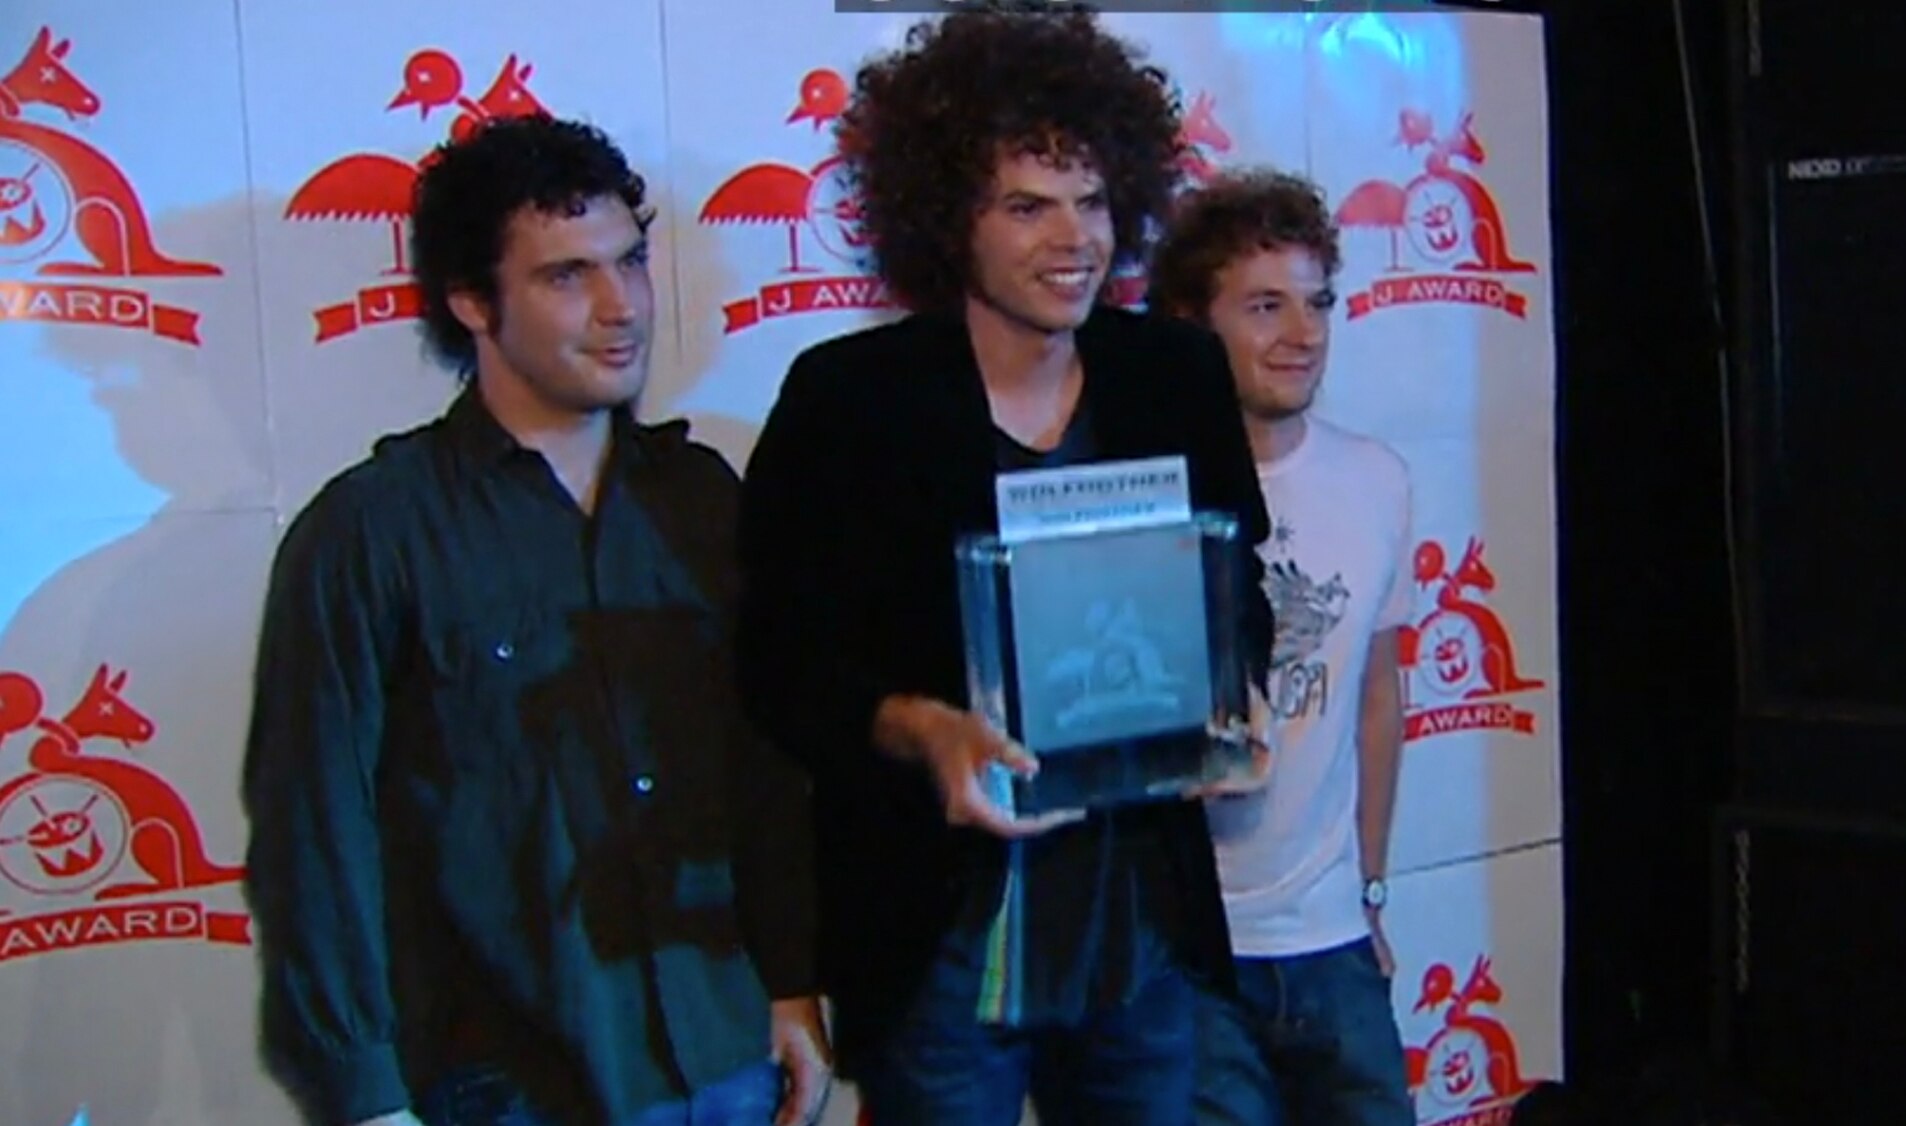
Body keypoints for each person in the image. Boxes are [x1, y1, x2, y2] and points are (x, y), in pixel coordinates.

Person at [732, 8, 1276, 1126]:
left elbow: (1239, 589)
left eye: (1089, 200)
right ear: (946, 221)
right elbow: (779, 667)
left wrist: (1238, 690)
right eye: (1026, 206)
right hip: (941, 942)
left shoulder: (1173, 374)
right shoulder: (846, 400)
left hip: (1138, 930)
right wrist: (919, 728)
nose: (1071, 237)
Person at [241, 114, 831, 1126]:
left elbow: (763, 778)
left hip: (723, 1055)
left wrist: (789, 984)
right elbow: (314, 836)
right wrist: (367, 1097)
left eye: (630, 262)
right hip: (502, 1085)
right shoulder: (368, 534)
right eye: (566, 276)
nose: (621, 308)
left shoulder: (700, 501)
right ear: (473, 302)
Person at [1148, 167, 1418, 1126]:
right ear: (1191, 319)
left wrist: (1371, 887)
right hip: (1187, 960)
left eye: (1317, 303)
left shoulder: (1378, 479)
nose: (1302, 334)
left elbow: (1378, 696)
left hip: (1337, 946)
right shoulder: (1141, 494)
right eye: (1265, 305)